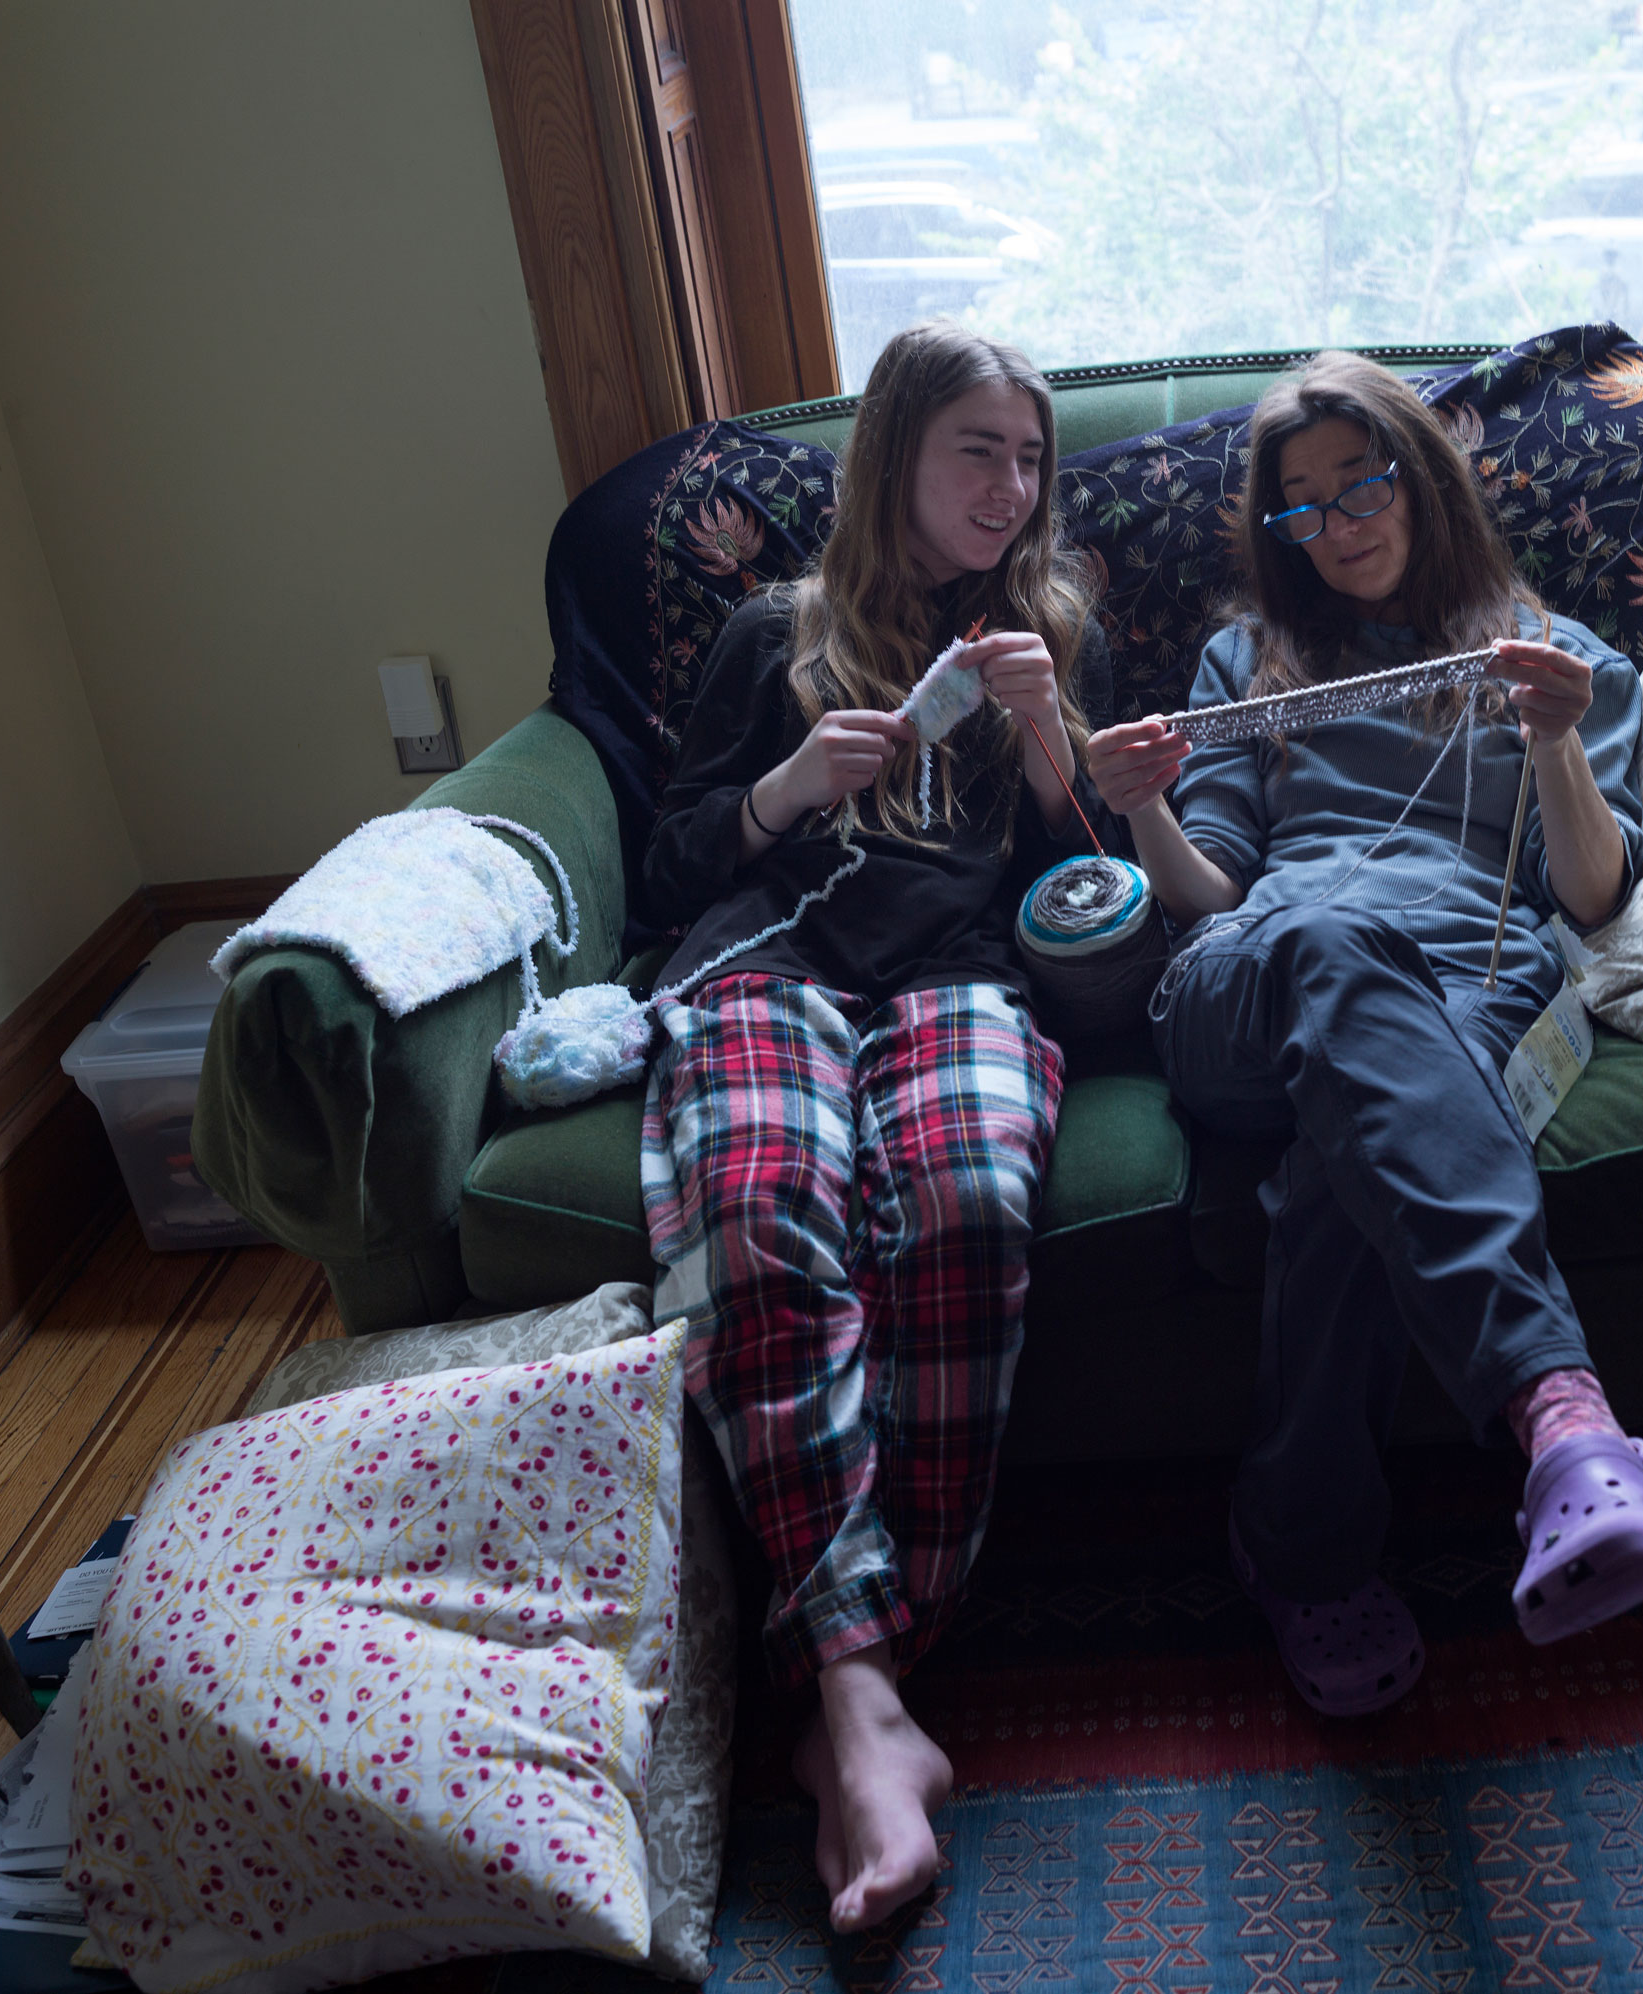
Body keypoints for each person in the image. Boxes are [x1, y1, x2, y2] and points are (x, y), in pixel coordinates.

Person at [1083, 350, 1643, 1717]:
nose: (1338, 520)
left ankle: (1301, 1548)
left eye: (1361, 481)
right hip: (1251, 971)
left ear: (1423, 475)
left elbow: (1589, 894)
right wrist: (1141, 811)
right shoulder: (1247, 661)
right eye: (1301, 504)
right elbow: (1213, 894)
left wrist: (1550, 741)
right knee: (1337, 950)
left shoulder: (1569, 662)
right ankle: (1563, 1417)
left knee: (1340, 1169)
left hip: (1472, 983)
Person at [639, 321, 1110, 1928]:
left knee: (972, 1198)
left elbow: (1100, 887)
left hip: (965, 978)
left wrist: (1052, 744)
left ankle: (859, 1682)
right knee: (769, 1211)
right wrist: (784, 792)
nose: (1011, 485)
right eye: (977, 449)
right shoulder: (775, 632)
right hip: (770, 967)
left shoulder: (1050, 634)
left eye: (1030, 457)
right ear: (894, 455)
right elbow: (670, 862)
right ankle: (861, 1696)